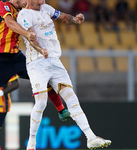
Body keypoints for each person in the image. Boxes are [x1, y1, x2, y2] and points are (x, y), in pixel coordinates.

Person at [17, 0, 111, 149]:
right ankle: (32, 143)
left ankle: (91, 137)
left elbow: (64, 17)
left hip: (54, 60)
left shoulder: (46, 8)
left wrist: (75, 19)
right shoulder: (24, 14)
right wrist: (41, 50)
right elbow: (30, 36)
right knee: (41, 102)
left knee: (72, 98)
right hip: (37, 63)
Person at [0, 0, 70, 147]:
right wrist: (27, 33)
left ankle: (61, 109)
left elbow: (30, 34)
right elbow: (10, 24)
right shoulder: (3, 5)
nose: (27, 1)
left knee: (43, 77)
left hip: (15, 57)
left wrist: (40, 49)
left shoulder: (22, 13)